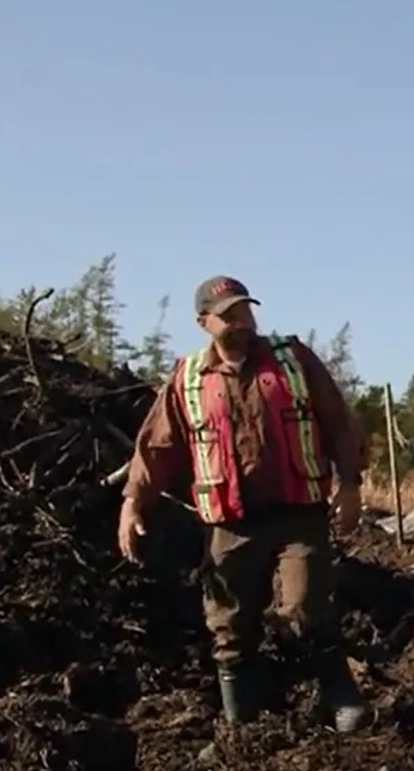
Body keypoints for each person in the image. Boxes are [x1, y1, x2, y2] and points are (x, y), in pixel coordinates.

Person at [118, 276, 372, 732]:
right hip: (230, 522)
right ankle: (243, 723)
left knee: (306, 607)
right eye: (229, 315)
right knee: (228, 624)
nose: (242, 323)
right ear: (203, 322)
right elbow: (157, 446)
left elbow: (337, 418)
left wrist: (350, 484)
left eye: (245, 312)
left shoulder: (291, 359)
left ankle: (339, 694)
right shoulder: (189, 378)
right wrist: (134, 501)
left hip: (299, 510)